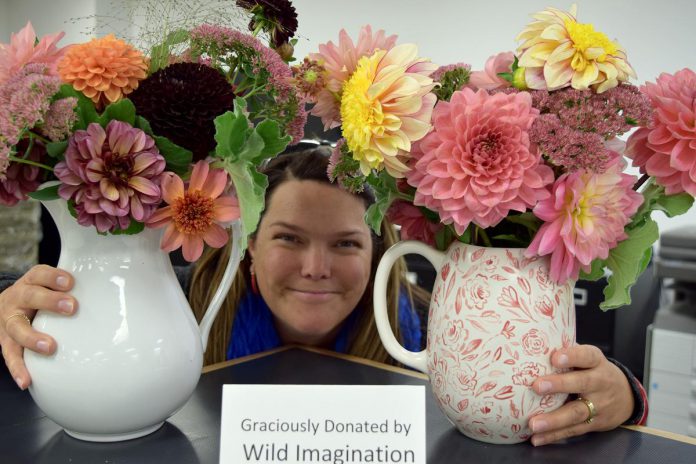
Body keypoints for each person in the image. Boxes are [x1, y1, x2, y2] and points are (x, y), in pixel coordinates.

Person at [0, 147, 647, 446]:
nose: (315, 268)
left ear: (376, 254)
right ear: (248, 245)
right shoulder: (162, 320)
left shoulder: (443, 336)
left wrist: (621, 395)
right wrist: (12, 316)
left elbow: (572, 398)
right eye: (287, 238)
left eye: (344, 244)